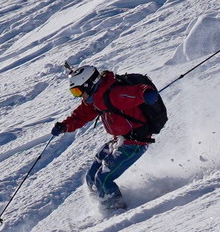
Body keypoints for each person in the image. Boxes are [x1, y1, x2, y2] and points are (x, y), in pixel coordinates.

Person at [51, 65, 163, 212]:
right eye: (74, 92)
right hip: (120, 140)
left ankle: (116, 211)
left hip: (134, 142)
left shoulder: (113, 95)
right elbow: (80, 115)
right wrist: (64, 126)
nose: (78, 96)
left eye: (78, 91)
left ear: (89, 84)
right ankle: (102, 207)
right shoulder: (95, 99)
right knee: (91, 178)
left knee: (103, 179)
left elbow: (134, 92)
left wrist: (146, 93)